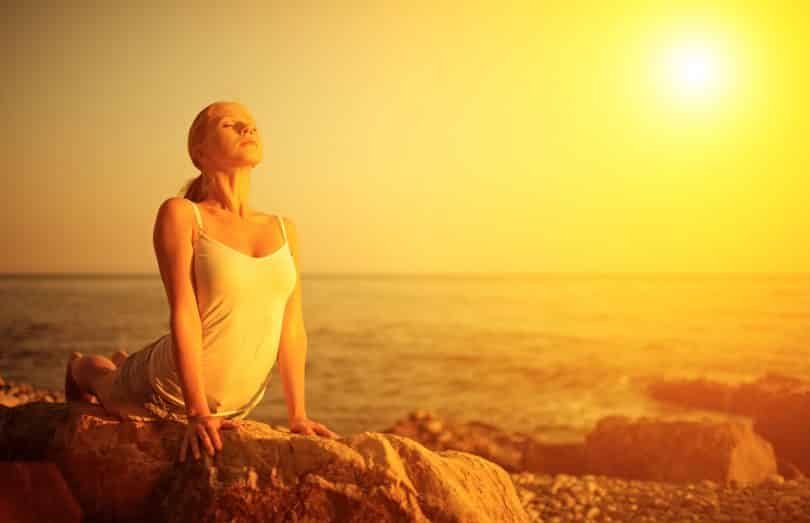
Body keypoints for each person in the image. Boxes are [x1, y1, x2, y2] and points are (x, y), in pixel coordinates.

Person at [65, 100, 339, 463]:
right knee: (106, 383)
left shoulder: (283, 228)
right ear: (200, 153)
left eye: (251, 124)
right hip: (169, 390)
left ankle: (127, 362)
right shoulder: (182, 215)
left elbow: (292, 326)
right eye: (231, 124)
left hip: (235, 404)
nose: (247, 129)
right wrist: (196, 413)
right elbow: (184, 311)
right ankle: (81, 365)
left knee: (126, 370)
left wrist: (298, 416)